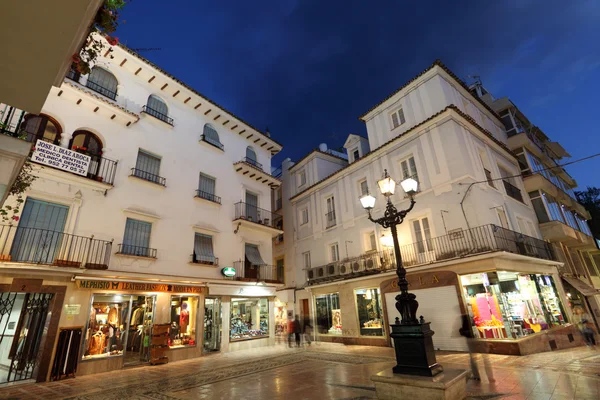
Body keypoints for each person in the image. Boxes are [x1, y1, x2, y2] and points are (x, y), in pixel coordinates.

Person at [459, 314, 494, 382]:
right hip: (479, 338)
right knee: (484, 357)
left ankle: (477, 376)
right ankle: (490, 376)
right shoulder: (472, 316)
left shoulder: (465, 317)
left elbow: (463, 329)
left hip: (471, 339)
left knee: (473, 358)